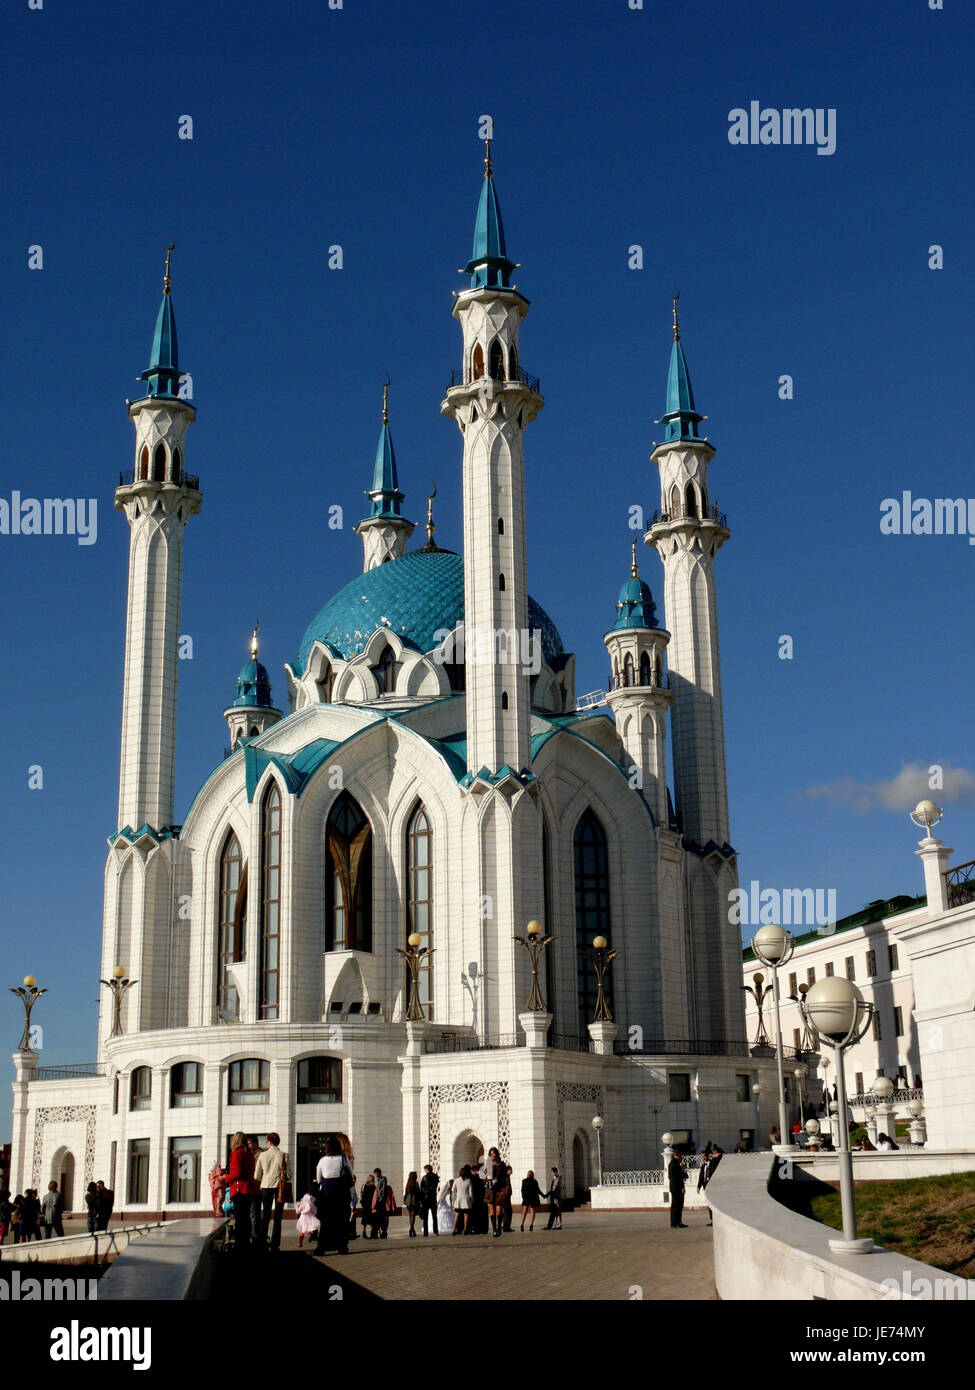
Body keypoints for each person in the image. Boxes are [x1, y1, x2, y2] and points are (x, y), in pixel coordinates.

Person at [313, 1136, 353, 1256]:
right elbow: (350, 1175)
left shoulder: (322, 1161)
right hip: (342, 1193)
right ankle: (342, 1247)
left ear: (327, 1148)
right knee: (342, 1220)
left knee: (326, 1222)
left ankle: (321, 1248)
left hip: (326, 1194)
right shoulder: (345, 1159)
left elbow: (319, 1179)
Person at [254, 1131, 291, 1252]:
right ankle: (275, 1244)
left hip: (265, 1187)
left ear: (269, 1142)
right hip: (279, 1188)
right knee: (278, 1216)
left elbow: (256, 1176)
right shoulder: (284, 1155)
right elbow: (289, 1174)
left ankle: (262, 1241)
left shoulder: (262, 1155)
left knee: (265, 1216)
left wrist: (264, 1178)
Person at [228, 1131, 256, 1253]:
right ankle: (245, 1243)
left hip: (239, 1190)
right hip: (248, 1190)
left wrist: (225, 1178)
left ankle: (240, 1247)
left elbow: (236, 1173)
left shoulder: (237, 1153)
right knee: (246, 1219)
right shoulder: (249, 1154)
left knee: (239, 1220)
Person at [485, 1147, 509, 1237]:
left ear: (497, 1154)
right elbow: (484, 1177)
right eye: (491, 1154)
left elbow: (505, 1177)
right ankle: (494, 1229)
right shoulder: (487, 1164)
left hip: (499, 1190)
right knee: (492, 1211)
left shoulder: (502, 1164)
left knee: (499, 1211)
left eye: (494, 1153)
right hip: (490, 1190)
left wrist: (506, 1189)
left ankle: (499, 1227)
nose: (493, 1155)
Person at [246, 1137, 262, 1244]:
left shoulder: (259, 1155)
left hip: (256, 1187)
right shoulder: (251, 1155)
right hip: (251, 1188)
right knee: (253, 1213)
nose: (248, 1146)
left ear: (256, 1144)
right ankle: (255, 1235)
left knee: (254, 1213)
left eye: (250, 1143)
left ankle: (256, 1237)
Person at [370, 1168, 395, 1238]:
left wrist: (378, 1201)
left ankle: (382, 1231)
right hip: (382, 1203)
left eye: (375, 1174)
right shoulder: (379, 1180)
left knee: (383, 1217)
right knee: (383, 1217)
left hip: (382, 1203)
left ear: (378, 1173)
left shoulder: (382, 1180)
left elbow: (381, 1192)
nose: (374, 1175)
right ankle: (382, 1231)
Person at [668, 1151, 687, 1228]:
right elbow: (677, 1178)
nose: (681, 1157)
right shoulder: (675, 1164)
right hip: (677, 1188)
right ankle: (677, 1222)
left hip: (674, 1187)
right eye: (681, 1156)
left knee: (675, 1205)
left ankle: (675, 1222)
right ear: (678, 1155)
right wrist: (682, 1187)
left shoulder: (672, 1163)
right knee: (678, 1205)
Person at [419, 1164, 439, 1236]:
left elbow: (422, 1189)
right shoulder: (435, 1177)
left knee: (425, 1217)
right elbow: (435, 1187)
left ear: (427, 1170)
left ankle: (425, 1232)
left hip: (425, 1199)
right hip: (433, 1198)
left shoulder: (424, 1178)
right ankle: (435, 1231)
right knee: (434, 1216)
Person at [452, 1166, 472, 1234]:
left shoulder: (456, 1180)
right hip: (466, 1200)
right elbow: (471, 1192)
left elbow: (453, 1190)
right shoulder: (468, 1181)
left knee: (457, 1215)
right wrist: (472, 1200)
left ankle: (454, 1229)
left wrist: (453, 1200)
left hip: (458, 1200)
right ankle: (465, 1229)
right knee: (466, 1215)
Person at [359, 1173, 376, 1240]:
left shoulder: (364, 1186)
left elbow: (362, 1194)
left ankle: (364, 1233)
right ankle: (371, 1233)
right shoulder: (374, 1187)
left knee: (365, 1220)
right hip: (371, 1205)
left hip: (365, 1205)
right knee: (372, 1220)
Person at [403, 1171, 420, 1237]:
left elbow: (406, 1192)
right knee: (413, 1216)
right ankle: (411, 1229)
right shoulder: (416, 1183)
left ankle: (412, 1230)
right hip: (414, 1201)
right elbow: (418, 1192)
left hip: (408, 1202)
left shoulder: (408, 1184)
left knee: (410, 1216)